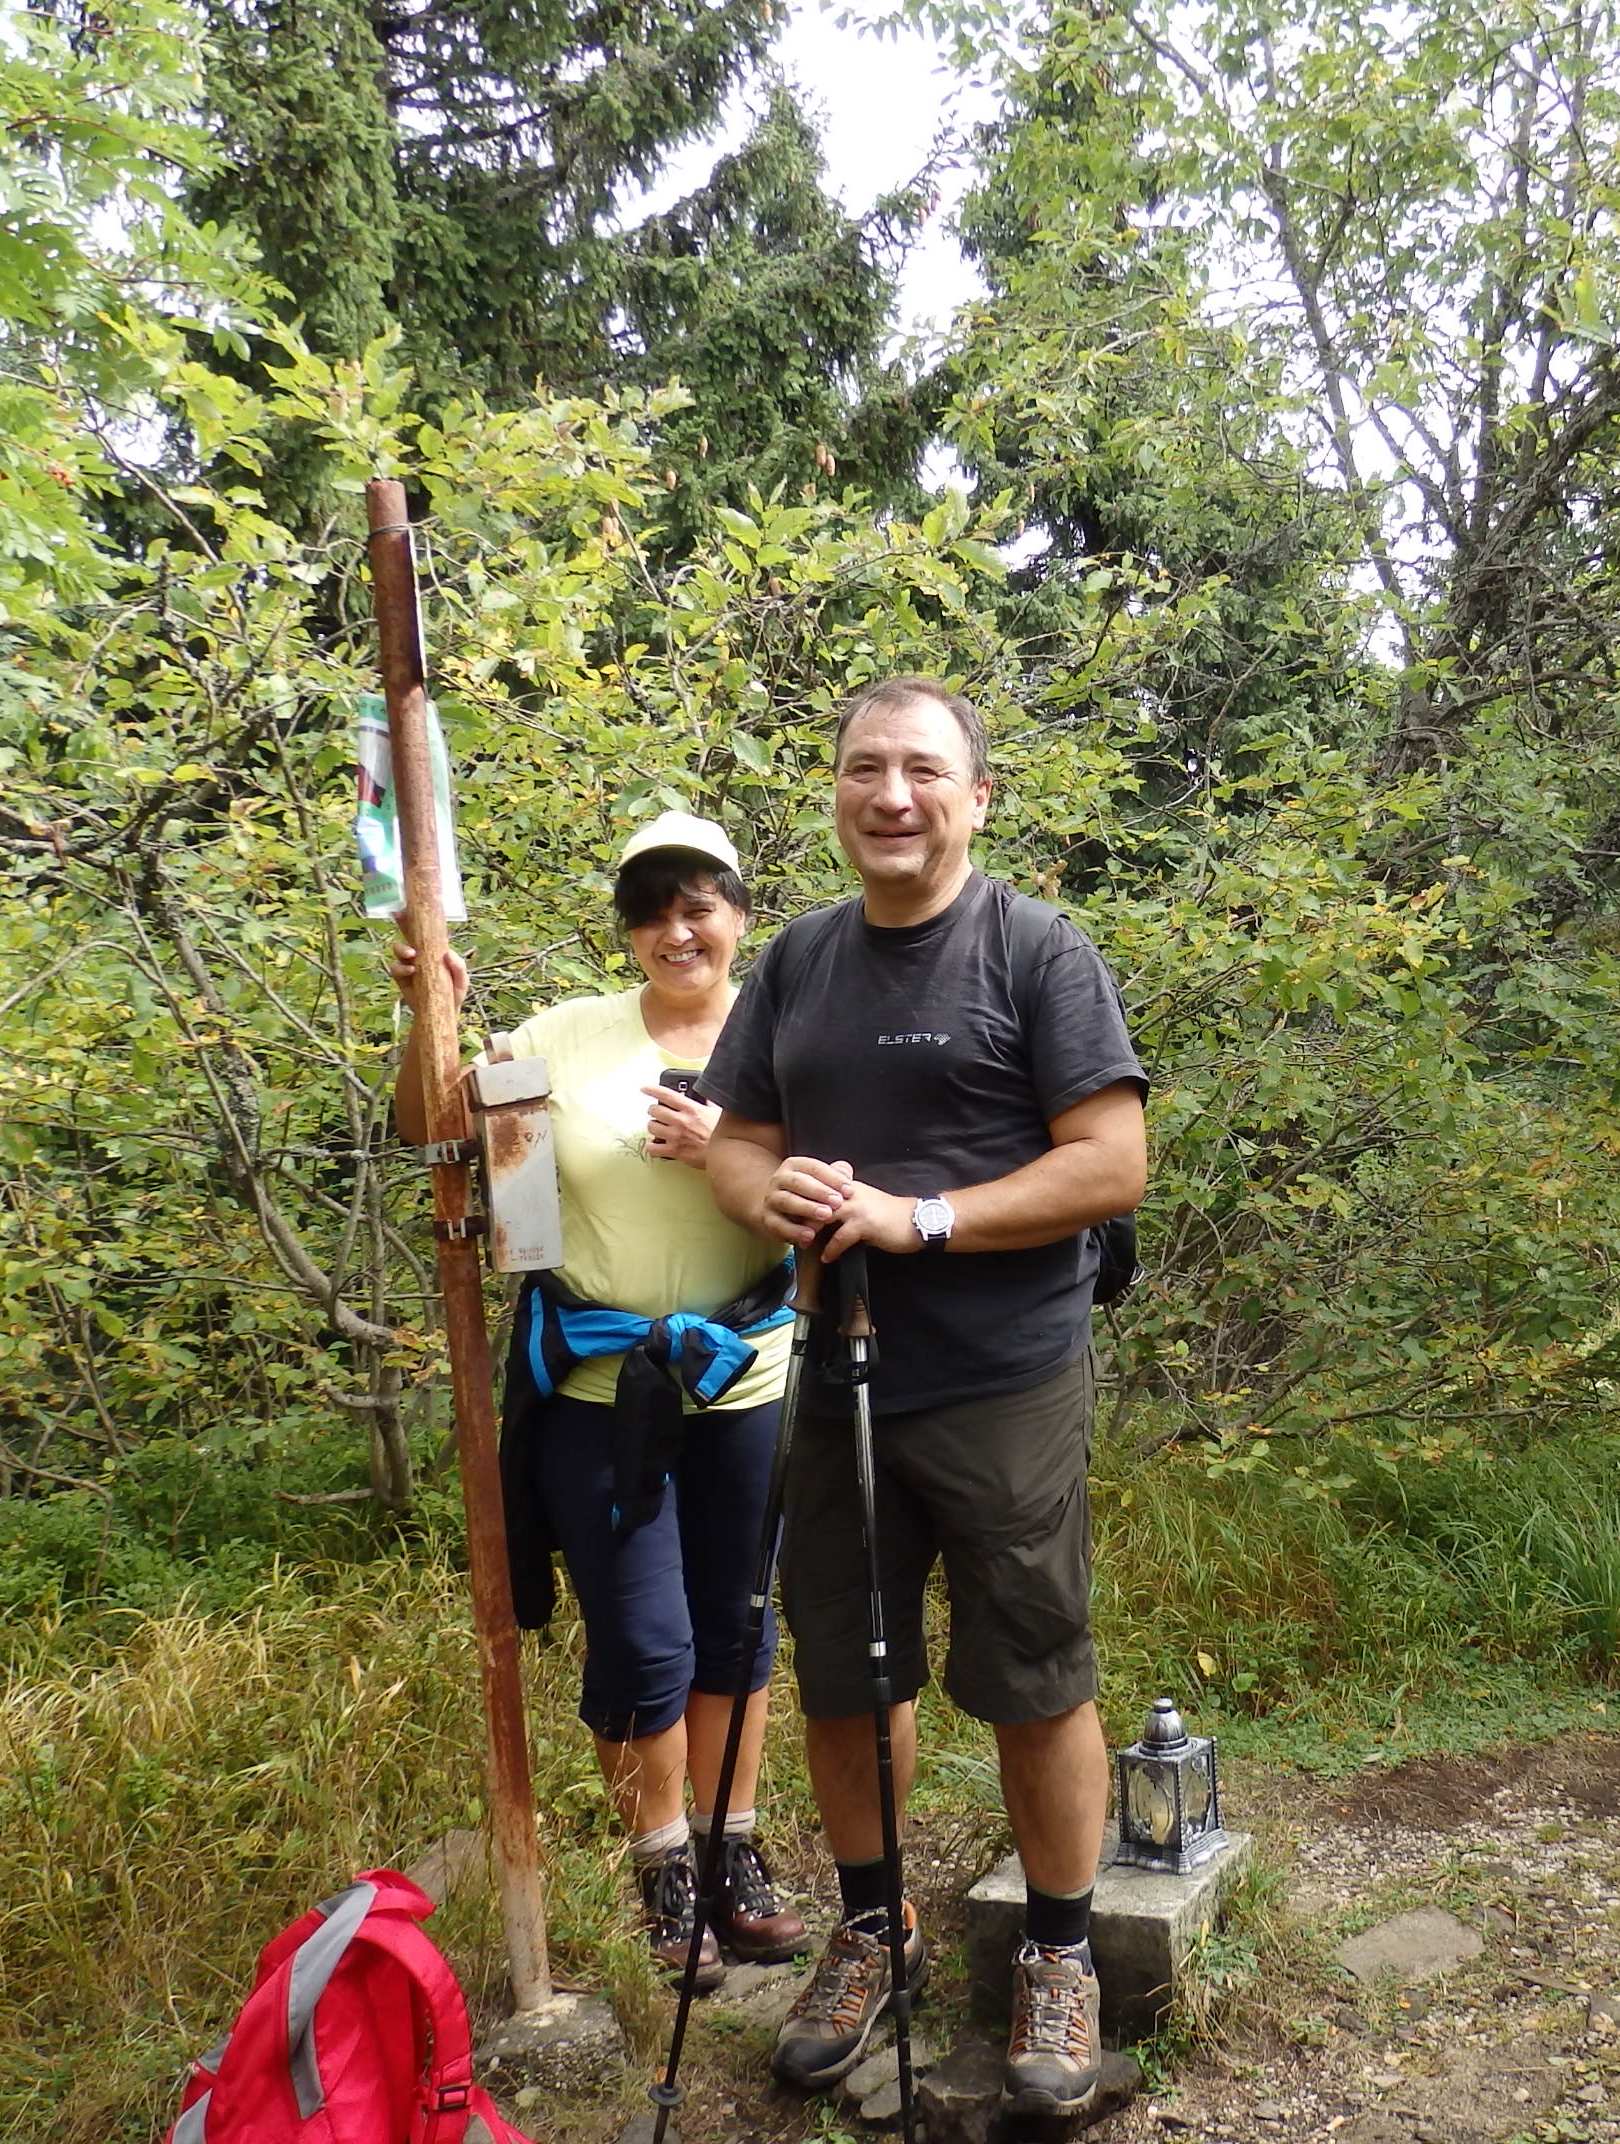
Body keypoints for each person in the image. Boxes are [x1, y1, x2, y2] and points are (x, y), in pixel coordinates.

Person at [704, 676, 1148, 2118]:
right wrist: (770, 1194)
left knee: (1034, 1667)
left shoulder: (1035, 948)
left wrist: (923, 1219)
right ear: (836, 789)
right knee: (847, 1669)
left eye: (922, 770)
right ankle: (871, 1925)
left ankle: (1059, 1952)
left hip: (1004, 1376)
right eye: (863, 768)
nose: (890, 795)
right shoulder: (798, 959)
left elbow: (1110, 1163)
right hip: (834, 1374)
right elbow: (734, 1142)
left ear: (976, 797)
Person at [394, 812, 809, 1990]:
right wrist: (428, 1015)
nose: (678, 932)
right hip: (595, 1385)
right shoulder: (566, 1034)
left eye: (700, 906)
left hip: (748, 1379)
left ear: (740, 914)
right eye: (652, 911)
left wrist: (730, 1147)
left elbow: (847, 1183)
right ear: (628, 929)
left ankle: (732, 1850)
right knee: (642, 1636)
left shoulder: (789, 1032)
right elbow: (432, 1130)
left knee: (737, 1625)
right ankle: (664, 1864)